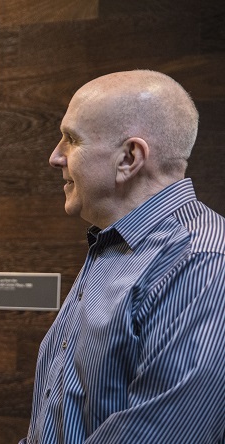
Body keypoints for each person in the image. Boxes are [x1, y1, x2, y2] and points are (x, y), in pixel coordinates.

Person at [22, 70, 225, 443]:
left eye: (71, 139)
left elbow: (163, 433)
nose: (55, 156)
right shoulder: (112, 246)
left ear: (129, 158)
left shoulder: (202, 261)